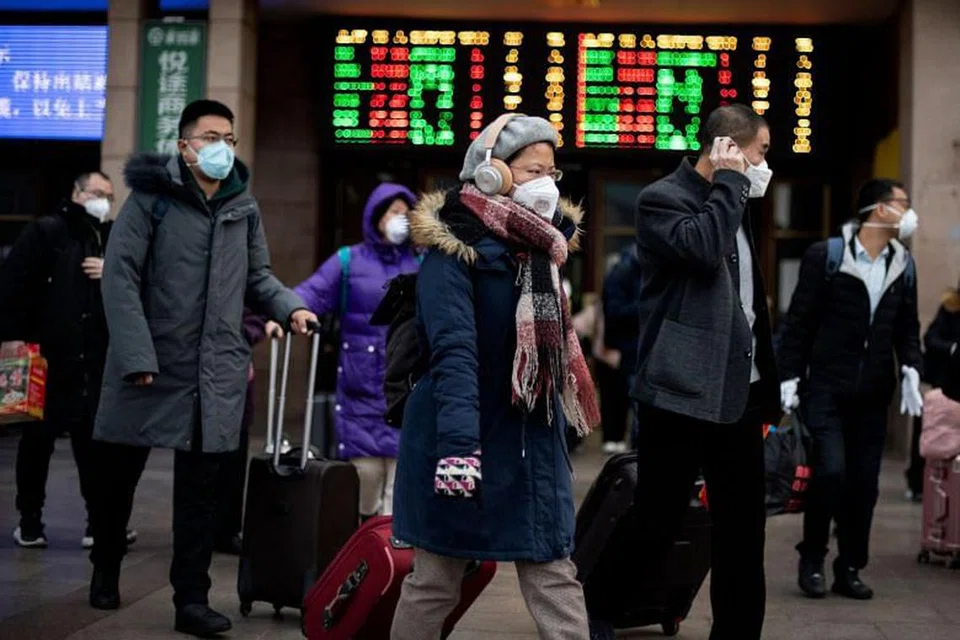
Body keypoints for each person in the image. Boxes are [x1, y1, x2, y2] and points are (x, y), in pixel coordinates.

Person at [86, 99, 317, 637]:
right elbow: (119, 280)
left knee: (200, 493)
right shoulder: (150, 201)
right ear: (184, 144)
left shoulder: (244, 206)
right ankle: (106, 567)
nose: (221, 147)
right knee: (118, 480)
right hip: (148, 363)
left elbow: (259, 278)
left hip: (213, 369)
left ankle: (191, 599)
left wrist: (291, 305)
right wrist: (138, 356)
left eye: (229, 139)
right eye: (210, 136)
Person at [390, 114, 599, 640]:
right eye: (534, 169)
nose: (548, 183)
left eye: (552, 171)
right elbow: (455, 352)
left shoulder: (543, 250)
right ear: (492, 174)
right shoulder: (451, 251)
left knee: (554, 572)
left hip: (529, 440)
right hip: (461, 437)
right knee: (435, 580)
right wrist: (459, 450)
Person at [630, 104, 781, 640]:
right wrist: (730, 184)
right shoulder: (663, 199)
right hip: (678, 388)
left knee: (744, 529)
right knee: (656, 519)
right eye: (760, 151)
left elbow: (745, 303)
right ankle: (608, 607)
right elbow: (701, 249)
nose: (765, 164)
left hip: (737, 391)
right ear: (730, 148)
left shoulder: (736, 198)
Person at [776, 178, 923, 601]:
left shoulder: (903, 265)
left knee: (865, 485)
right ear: (880, 209)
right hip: (825, 388)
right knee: (831, 474)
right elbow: (799, 321)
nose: (909, 212)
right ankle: (813, 559)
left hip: (873, 395)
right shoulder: (828, 256)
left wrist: (912, 366)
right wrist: (789, 376)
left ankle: (850, 567)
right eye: (903, 204)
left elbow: (907, 328)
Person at [0, 171, 137, 549]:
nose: (102, 201)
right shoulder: (48, 232)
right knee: (36, 443)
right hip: (44, 358)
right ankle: (30, 521)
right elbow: (12, 286)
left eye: (108, 195)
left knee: (93, 446)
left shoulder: (110, 236)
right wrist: (18, 342)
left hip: (91, 361)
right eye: (95, 193)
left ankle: (99, 524)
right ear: (76, 193)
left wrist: (110, 274)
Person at [268, 183, 420, 519]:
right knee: (365, 482)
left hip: (407, 388)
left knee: (401, 490)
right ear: (376, 217)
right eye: (393, 212)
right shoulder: (348, 261)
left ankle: (392, 557)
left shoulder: (422, 262)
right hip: (361, 389)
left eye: (405, 213)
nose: (400, 219)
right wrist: (287, 313)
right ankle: (365, 553)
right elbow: (313, 292)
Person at [213, 308, 266, 555]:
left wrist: (239, 337)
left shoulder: (243, 271)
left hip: (234, 367)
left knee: (234, 455)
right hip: (197, 365)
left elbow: (258, 313)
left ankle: (227, 528)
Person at [905, 277, 960, 499]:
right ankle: (918, 481)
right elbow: (931, 338)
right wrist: (954, 348)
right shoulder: (951, 307)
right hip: (945, 382)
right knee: (930, 432)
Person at [600, 246, 643, 453]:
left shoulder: (631, 269)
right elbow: (614, 312)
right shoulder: (625, 271)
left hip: (632, 348)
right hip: (628, 349)